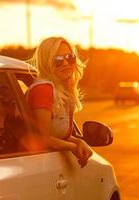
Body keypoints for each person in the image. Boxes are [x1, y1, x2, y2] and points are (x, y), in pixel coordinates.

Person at [26, 37, 93, 167]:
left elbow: (57, 135)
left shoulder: (62, 90)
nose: (66, 63)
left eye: (69, 57)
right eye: (57, 60)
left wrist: (79, 142)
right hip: (35, 167)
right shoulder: (43, 90)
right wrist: (73, 147)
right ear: (46, 63)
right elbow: (43, 139)